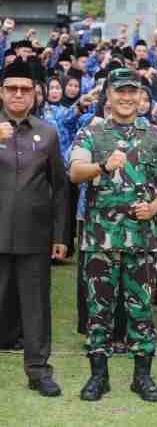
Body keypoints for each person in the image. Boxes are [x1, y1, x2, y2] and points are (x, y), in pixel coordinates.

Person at [69, 67, 157, 402]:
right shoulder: (91, 133)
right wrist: (103, 166)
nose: (127, 98)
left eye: (133, 92)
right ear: (109, 95)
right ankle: (97, 377)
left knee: (141, 309)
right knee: (98, 309)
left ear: (142, 96)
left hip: (142, 240)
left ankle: (141, 377)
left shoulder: (154, 135)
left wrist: (156, 207)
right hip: (101, 240)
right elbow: (74, 173)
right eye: (120, 92)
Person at [0, 58, 69, 397]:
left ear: (35, 95)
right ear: (1, 93)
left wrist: (60, 236)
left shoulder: (48, 133)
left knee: (36, 309)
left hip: (34, 237)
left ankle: (39, 371)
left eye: (24, 89)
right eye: (11, 88)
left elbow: (60, 187)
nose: (17, 94)